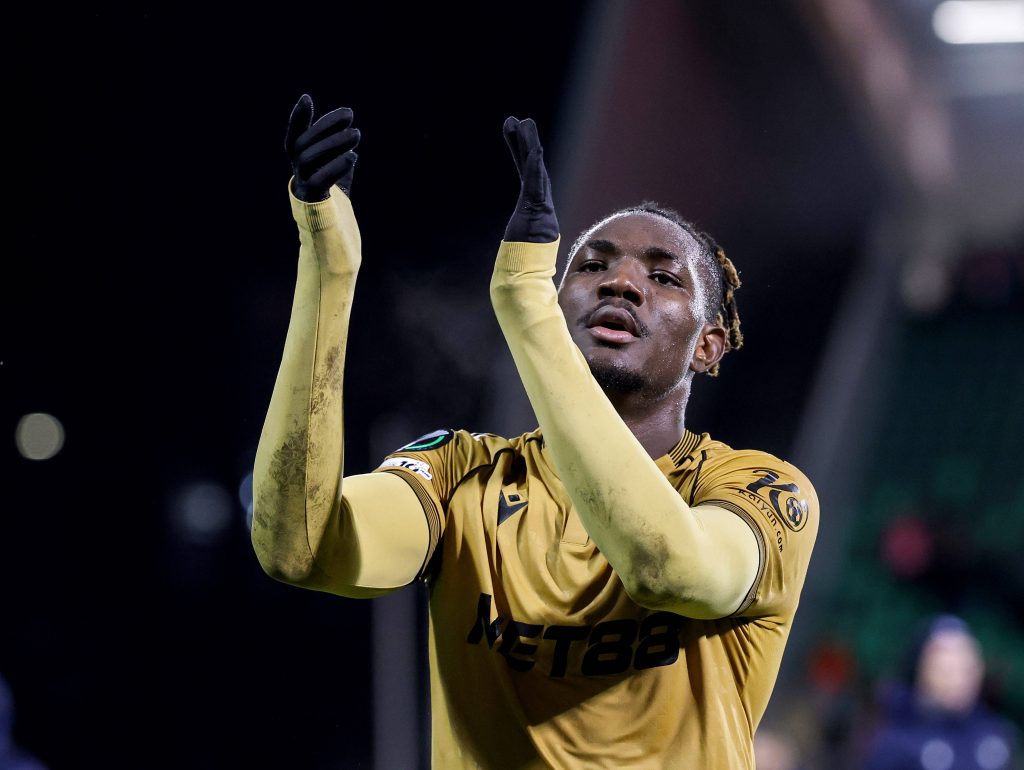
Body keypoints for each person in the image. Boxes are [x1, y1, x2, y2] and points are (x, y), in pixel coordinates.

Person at [251, 94, 820, 769]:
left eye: (663, 276)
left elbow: (669, 570)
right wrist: (328, 268)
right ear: (560, 304)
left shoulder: (759, 488)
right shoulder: (461, 473)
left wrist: (526, 307)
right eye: (592, 266)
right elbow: (301, 547)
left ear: (709, 346)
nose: (621, 283)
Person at [862, 615, 1021, 770]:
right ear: (921, 671)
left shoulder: (997, 736)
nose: (958, 680)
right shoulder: (895, 743)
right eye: (946, 670)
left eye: (966, 669)